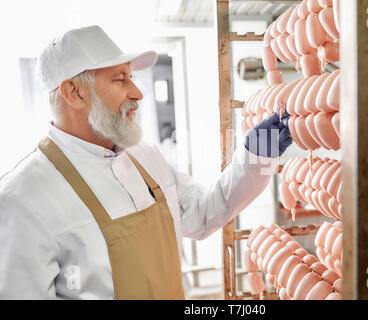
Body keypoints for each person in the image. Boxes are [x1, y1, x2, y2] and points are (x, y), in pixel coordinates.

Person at [0, 25, 292, 299]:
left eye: (132, 77)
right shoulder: (22, 199)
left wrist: (257, 157)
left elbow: (203, 213)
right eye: (120, 79)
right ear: (74, 93)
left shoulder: (144, 156)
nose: (137, 93)